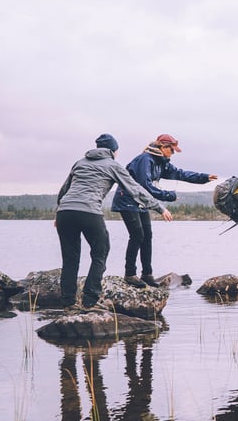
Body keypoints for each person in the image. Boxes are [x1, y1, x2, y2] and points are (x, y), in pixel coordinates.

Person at [55, 133, 173, 310]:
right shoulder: (113, 165)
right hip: (89, 212)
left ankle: (68, 303)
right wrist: (160, 207)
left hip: (65, 213)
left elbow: (65, 189)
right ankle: (89, 301)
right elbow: (135, 190)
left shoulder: (79, 163)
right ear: (113, 150)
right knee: (100, 253)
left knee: (70, 259)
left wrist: (58, 212)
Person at [111, 134, 217, 288]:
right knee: (137, 235)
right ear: (163, 147)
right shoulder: (145, 160)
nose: (173, 154)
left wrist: (204, 177)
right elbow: (144, 186)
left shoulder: (161, 163)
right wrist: (169, 195)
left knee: (147, 236)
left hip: (141, 203)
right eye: (172, 150)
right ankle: (130, 274)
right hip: (127, 200)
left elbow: (181, 174)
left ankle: (147, 274)